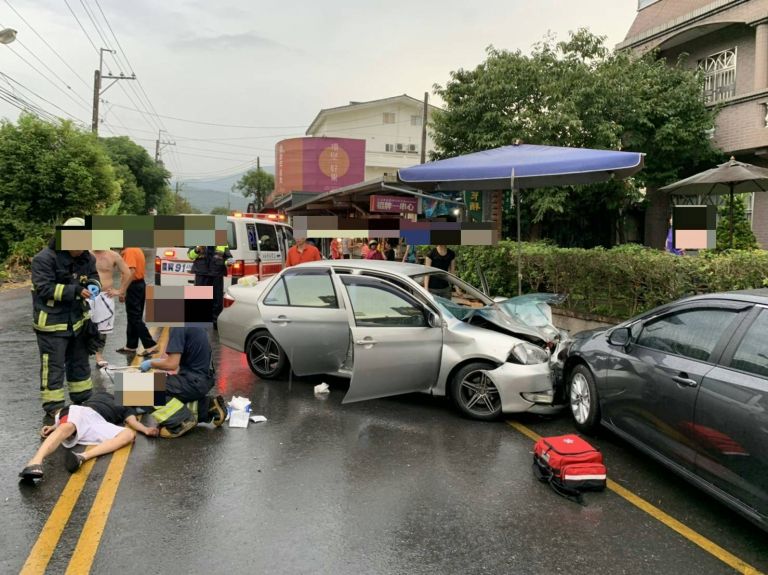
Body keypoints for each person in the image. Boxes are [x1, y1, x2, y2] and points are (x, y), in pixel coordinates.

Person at [31, 217, 101, 418]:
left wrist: (93, 284)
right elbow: (44, 288)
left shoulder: (86, 257)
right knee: (53, 365)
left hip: (77, 322)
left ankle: (83, 397)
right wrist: (76, 291)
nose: (84, 249)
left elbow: (92, 274)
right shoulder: (44, 259)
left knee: (79, 361)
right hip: (52, 324)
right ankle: (53, 406)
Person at [139, 326, 227, 438]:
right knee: (158, 391)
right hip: (204, 379)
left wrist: (151, 363)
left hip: (193, 382)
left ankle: (180, 422)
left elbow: (172, 364)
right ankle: (208, 407)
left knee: (133, 388)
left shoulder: (177, 326)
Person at [19, 401, 139, 482]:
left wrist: (147, 430)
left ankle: (81, 457)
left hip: (98, 422)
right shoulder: (107, 395)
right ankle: (35, 462)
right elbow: (72, 413)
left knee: (128, 434)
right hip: (83, 411)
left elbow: (133, 422)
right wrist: (55, 426)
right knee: (67, 427)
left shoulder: (129, 408)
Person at [91, 250, 131, 367]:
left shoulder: (113, 255)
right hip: (87, 294)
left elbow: (127, 273)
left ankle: (99, 356)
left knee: (103, 329)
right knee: (81, 326)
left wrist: (121, 291)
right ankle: (77, 356)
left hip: (105, 295)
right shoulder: (85, 253)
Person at [117, 248, 158, 356]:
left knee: (134, 317)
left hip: (133, 286)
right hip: (140, 284)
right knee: (133, 317)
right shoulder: (137, 249)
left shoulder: (129, 251)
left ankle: (150, 345)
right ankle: (131, 346)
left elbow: (131, 272)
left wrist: (122, 290)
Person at [187, 244, 233, 328]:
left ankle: (215, 322)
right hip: (202, 274)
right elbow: (190, 255)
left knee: (217, 300)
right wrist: (197, 250)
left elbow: (227, 257)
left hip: (216, 274)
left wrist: (229, 262)